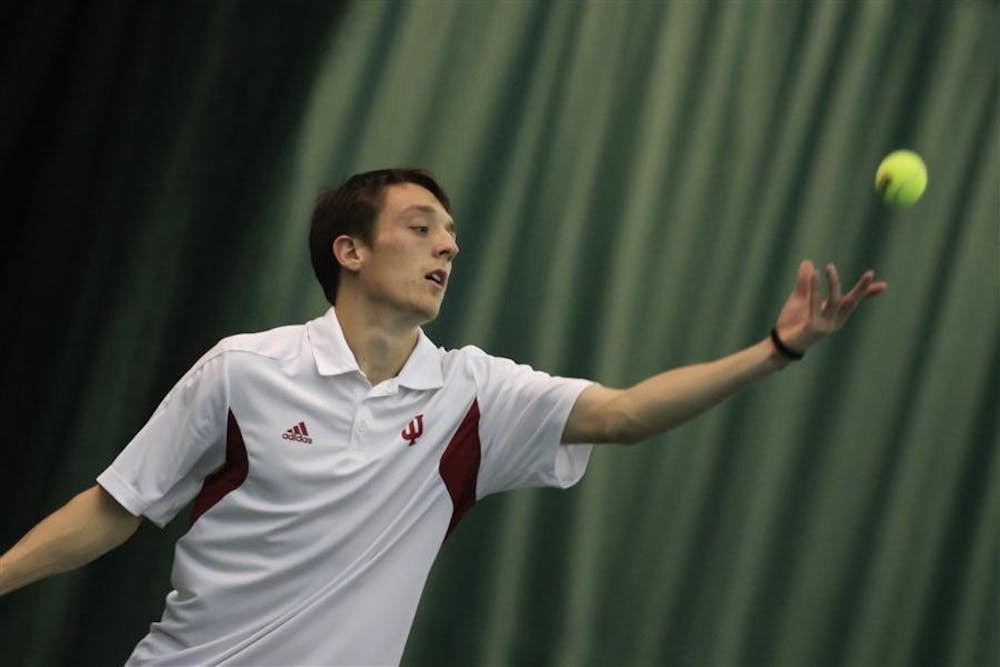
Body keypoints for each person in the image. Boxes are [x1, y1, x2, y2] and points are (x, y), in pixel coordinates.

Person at [0, 167, 886, 665]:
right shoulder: (243, 370)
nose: (448, 245)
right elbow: (117, 504)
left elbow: (623, 415)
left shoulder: (474, 395)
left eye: (452, 232)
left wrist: (776, 349)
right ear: (350, 250)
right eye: (422, 226)